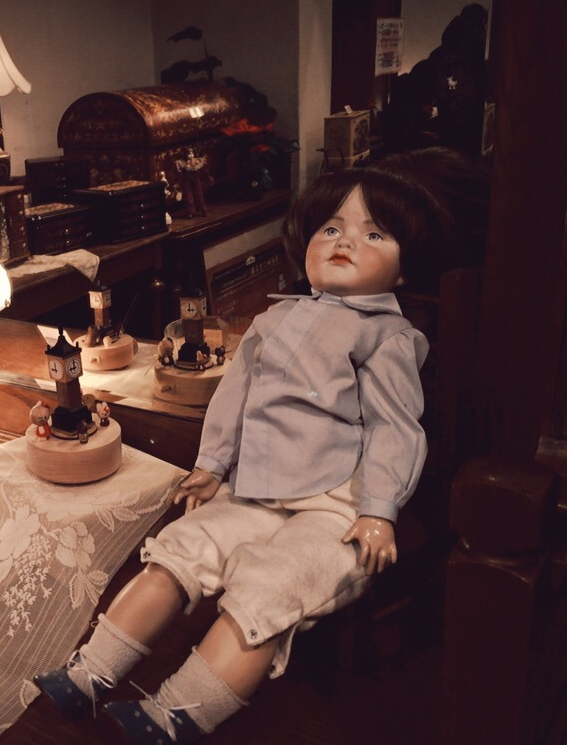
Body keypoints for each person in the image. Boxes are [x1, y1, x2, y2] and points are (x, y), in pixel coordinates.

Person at [33, 157, 457, 743]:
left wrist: (379, 509)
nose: (345, 242)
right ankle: (90, 673)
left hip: (337, 503)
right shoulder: (273, 319)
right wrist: (212, 464)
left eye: (374, 234)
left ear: (405, 268)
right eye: (331, 228)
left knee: (272, 588)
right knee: (180, 551)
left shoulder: (385, 336)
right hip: (255, 486)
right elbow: (234, 395)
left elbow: (395, 427)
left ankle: (177, 713)